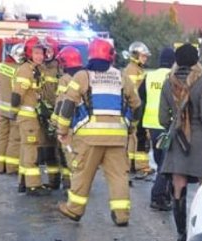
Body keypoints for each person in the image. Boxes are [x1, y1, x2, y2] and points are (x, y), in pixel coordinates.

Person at [55, 38, 142, 226]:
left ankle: (74, 209)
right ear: (111, 56)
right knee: (118, 176)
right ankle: (121, 215)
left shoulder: (82, 76)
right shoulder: (121, 76)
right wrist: (131, 127)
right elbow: (136, 105)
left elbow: (68, 105)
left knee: (82, 174)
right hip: (117, 138)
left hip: (89, 138)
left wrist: (62, 130)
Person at [158, 43, 202, 241]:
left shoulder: (169, 83)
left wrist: (175, 125)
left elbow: (162, 117)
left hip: (178, 139)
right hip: (201, 140)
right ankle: (201, 232)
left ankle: (181, 234)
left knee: (178, 185)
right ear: (196, 61)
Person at [10, 36, 50, 196]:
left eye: (41, 53)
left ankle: (23, 182)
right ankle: (33, 185)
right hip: (28, 117)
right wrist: (15, 111)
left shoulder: (34, 69)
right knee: (31, 150)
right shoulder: (26, 70)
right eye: (36, 53)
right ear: (28, 53)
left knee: (25, 149)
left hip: (30, 117)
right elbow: (17, 95)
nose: (40, 56)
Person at [142, 47, 174, 211]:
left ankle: (165, 193)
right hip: (166, 125)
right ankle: (158, 196)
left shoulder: (150, 76)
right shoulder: (173, 77)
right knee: (165, 163)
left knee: (160, 159)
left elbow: (141, 98)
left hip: (152, 125)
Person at [51, 45, 84, 189]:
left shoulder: (65, 79)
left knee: (68, 154)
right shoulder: (85, 75)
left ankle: (74, 185)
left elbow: (61, 102)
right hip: (83, 123)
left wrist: (54, 121)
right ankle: (70, 182)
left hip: (68, 122)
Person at [123, 41, 152, 178]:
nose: (145, 58)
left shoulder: (137, 69)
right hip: (134, 108)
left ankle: (136, 165)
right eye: (143, 56)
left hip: (139, 107)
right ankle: (137, 166)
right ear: (135, 55)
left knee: (138, 136)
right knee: (136, 136)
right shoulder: (132, 70)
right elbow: (132, 92)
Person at [39, 36, 62, 189]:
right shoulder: (39, 68)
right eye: (44, 50)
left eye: (49, 50)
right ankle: (53, 181)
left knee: (61, 150)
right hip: (43, 114)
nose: (46, 53)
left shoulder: (59, 69)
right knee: (48, 150)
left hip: (57, 114)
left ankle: (67, 182)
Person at [0, 45, 21, 174]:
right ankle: (12, 167)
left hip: (2, 109)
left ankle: (0, 166)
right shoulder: (17, 70)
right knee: (14, 139)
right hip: (13, 109)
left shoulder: (3, 66)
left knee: (2, 138)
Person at [4, 44, 26, 177]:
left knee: (9, 138)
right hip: (17, 110)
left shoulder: (6, 67)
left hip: (8, 109)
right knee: (16, 139)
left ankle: (7, 166)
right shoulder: (20, 70)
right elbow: (17, 93)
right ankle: (12, 167)